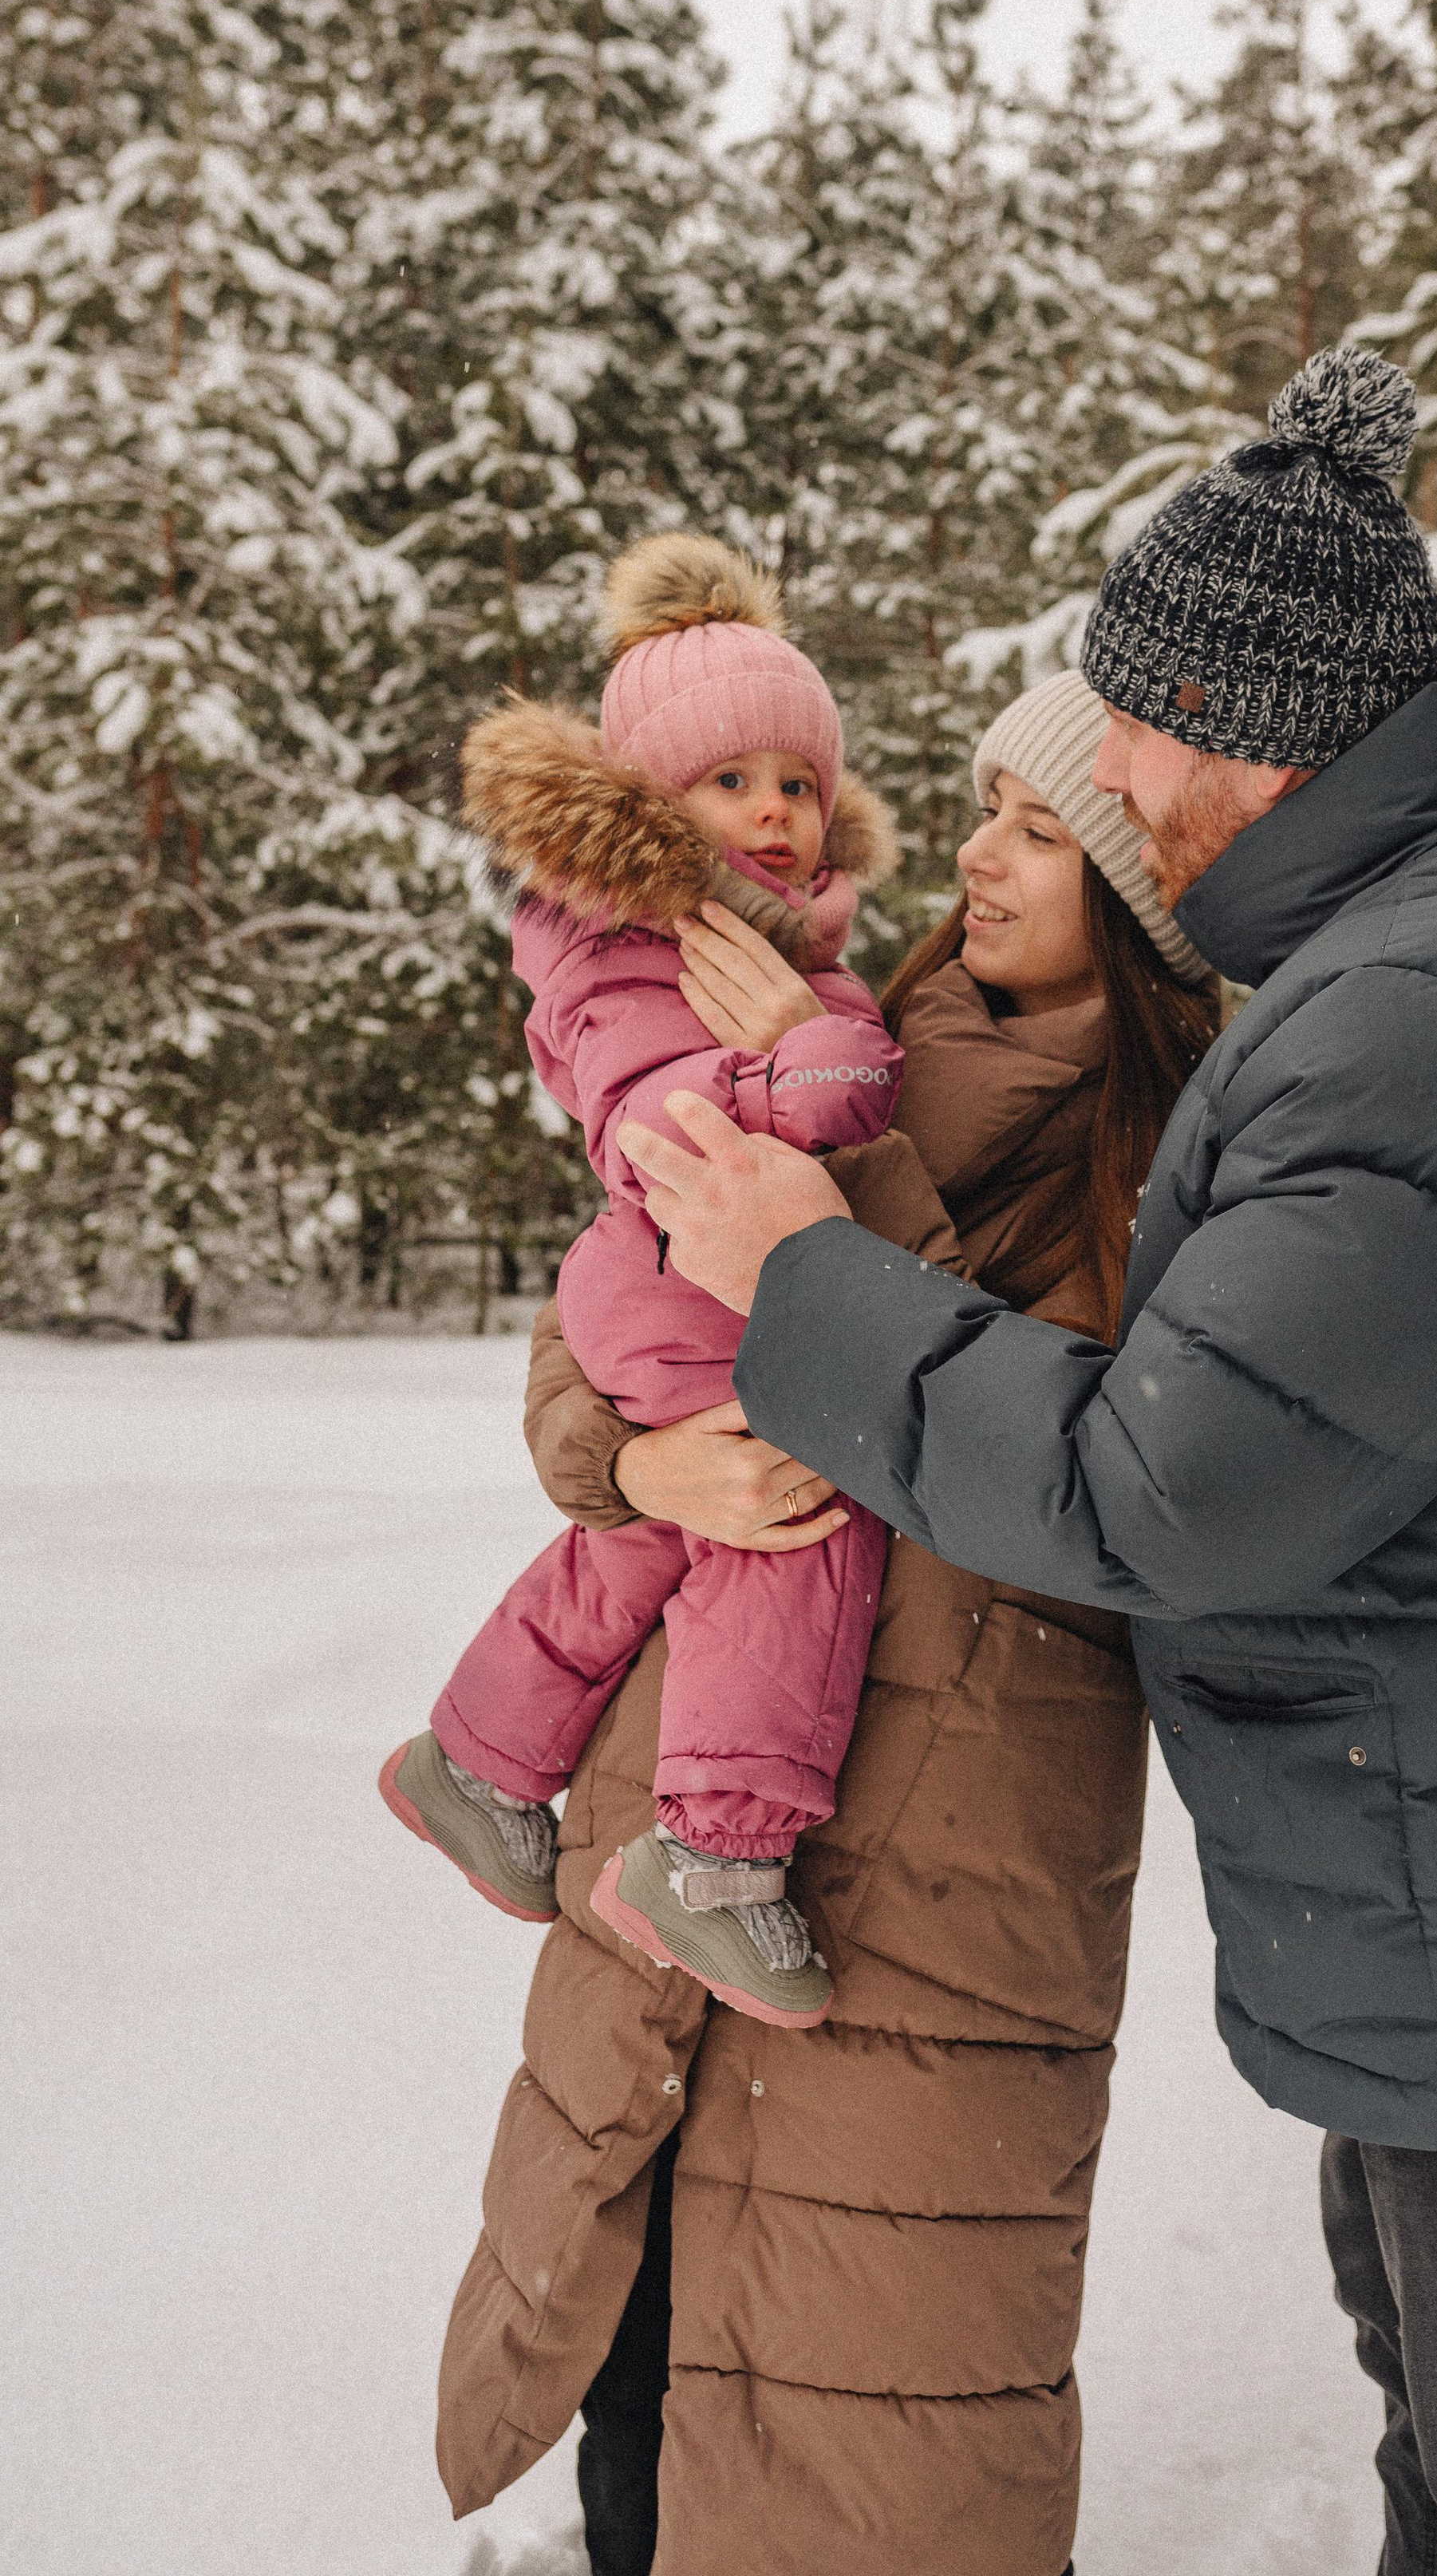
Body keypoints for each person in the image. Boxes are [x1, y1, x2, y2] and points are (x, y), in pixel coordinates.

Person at [626, 346, 1437, 2576]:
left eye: (1124, 730)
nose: (1102, 778)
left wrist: (810, 1278)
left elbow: (1170, 1488)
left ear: (1241, 740)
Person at [435, 672, 1223, 2575]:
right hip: (687, 1781)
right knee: (639, 2295)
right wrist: (642, 1475)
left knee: (863, 2393)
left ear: (1132, 885)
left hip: (950, 1850)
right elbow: (594, 1332)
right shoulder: (830, 1015)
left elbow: (1105, 1482)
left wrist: (825, 1210)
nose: (972, 851)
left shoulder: (1192, 1137)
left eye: (1036, 828)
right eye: (972, 804)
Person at [381, 531, 903, 2021]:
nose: (779, 814)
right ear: (647, 806)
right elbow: (667, 1139)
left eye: (798, 784)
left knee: (644, 1544)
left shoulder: (765, 944)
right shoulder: (625, 943)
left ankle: (479, 1762)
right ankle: (717, 1860)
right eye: (731, 781)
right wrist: (819, 1058)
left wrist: (809, 1021)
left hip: (692, 1293)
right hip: (684, 1286)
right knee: (793, 1520)